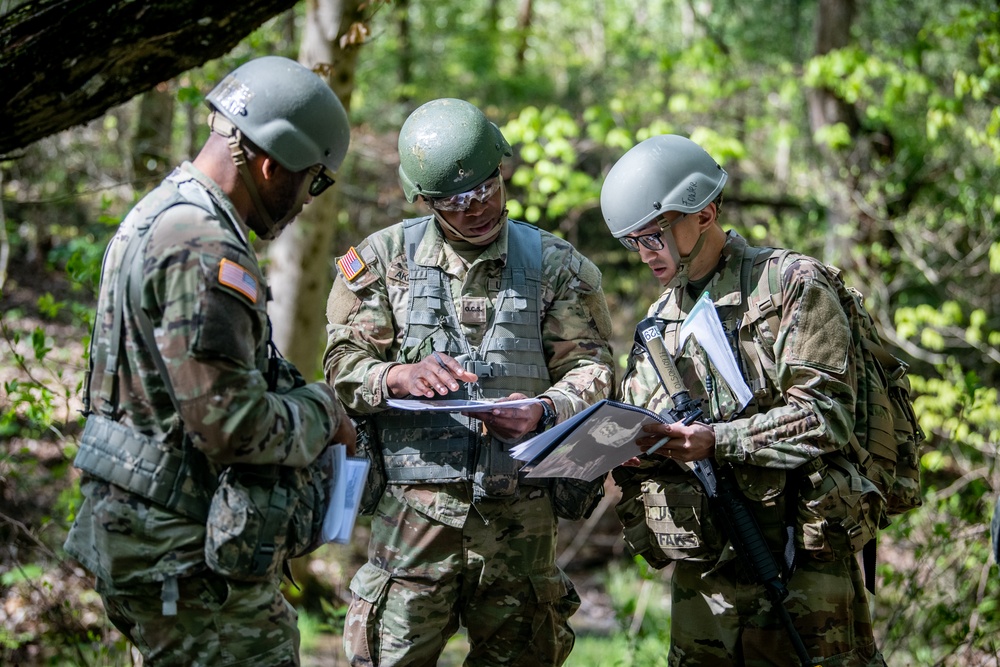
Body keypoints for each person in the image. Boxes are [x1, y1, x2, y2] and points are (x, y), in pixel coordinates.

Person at [64, 56, 357, 666]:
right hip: (184, 558)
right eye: (315, 181)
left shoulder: (162, 214)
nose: (308, 200)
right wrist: (325, 409)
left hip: (155, 544)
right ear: (272, 164)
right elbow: (235, 426)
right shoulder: (203, 245)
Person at [324, 98, 615, 666]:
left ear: (502, 170)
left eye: (486, 188)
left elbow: (595, 370)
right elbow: (341, 367)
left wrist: (546, 409)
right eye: (454, 201)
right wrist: (396, 375)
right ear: (425, 200)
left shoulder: (558, 266)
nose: (476, 207)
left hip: (521, 522)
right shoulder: (382, 262)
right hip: (412, 521)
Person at [601, 134, 886, 666]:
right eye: (633, 242)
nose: (645, 255)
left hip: (803, 555)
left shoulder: (791, 286)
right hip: (706, 569)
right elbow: (637, 425)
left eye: (653, 236)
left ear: (704, 212)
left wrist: (718, 440)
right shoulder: (658, 324)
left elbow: (828, 415)